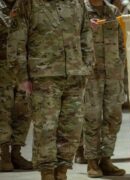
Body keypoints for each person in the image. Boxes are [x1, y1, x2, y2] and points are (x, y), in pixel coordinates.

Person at [7, 0, 94, 179]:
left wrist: (87, 66)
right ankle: (47, 174)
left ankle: (61, 173)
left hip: (74, 75)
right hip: (43, 77)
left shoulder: (77, 3)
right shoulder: (27, 4)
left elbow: (86, 33)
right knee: (46, 130)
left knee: (72, 128)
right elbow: (16, 41)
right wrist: (21, 76)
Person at [82, 0, 126, 177]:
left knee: (113, 117)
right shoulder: (81, 10)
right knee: (91, 117)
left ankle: (106, 159)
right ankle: (92, 161)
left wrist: (119, 65)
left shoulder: (113, 11)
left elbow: (121, 42)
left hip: (113, 75)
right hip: (91, 74)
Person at [0, 0, 32, 172]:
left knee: (24, 111)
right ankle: (4, 155)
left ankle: (16, 154)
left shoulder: (28, 5)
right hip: (2, 67)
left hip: (25, 67)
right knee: (3, 112)